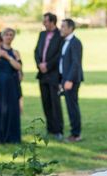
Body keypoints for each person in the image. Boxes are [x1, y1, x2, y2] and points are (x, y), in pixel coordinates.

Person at [34, 12, 64, 140]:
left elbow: (59, 54)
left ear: (52, 22)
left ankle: (58, 130)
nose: (44, 23)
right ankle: (50, 129)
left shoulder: (60, 35)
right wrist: (39, 64)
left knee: (55, 103)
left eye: (45, 21)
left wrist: (48, 65)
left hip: (54, 74)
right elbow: (36, 51)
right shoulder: (42, 34)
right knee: (45, 102)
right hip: (42, 74)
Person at [59, 18, 83, 142]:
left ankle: (76, 134)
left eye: (63, 26)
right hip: (65, 79)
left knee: (72, 106)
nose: (61, 28)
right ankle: (73, 132)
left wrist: (69, 80)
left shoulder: (75, 42)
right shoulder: (65, 41)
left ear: (70, 28)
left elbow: (75, 63)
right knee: (69, 106)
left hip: (71, 80)